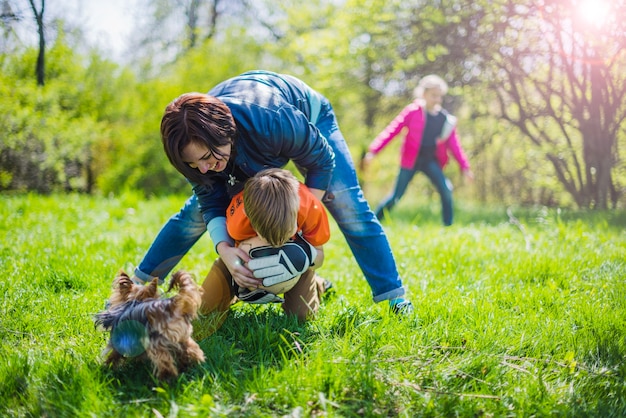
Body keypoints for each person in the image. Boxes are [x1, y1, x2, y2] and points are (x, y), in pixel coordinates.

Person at [134, 70, 413, 314]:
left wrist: (299, 225)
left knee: (347, 203)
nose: (205, 169)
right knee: (194, 214)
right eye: (194, 164)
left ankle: (394, 297)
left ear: (224, 132)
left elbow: (322, 160)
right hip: (247, 137)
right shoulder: (192, 146)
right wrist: (226, 251)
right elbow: (210, 201)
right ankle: (137, 288)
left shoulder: (272, 118)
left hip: (308, 120)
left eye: (207, 157)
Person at [199, 168, 330, 328]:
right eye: (268, 239)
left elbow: (320, 257)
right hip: (246, 257)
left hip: (297, 264)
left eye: (287, 235)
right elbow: (231, 254)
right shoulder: (237, 221)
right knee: (202, 308)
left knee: (303, 318)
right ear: (249, 218)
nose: (276, 245)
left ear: (297, 213)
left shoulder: (311, 208)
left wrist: (301, 256)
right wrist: (240, 274)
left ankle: (318, 284)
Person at [363, 74, 473, 226]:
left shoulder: (445, 120)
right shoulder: (413, 112)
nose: (437, 100)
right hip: (410, 161)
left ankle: (448, 226)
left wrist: (465, 167)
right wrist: (374, 151)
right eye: (433, 95)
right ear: (424, 94)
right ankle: (372, 223)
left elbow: (455, 146)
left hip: (430, 162)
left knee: (446, 189)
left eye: (439, 96)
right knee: (396, 196)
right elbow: (393, 129)